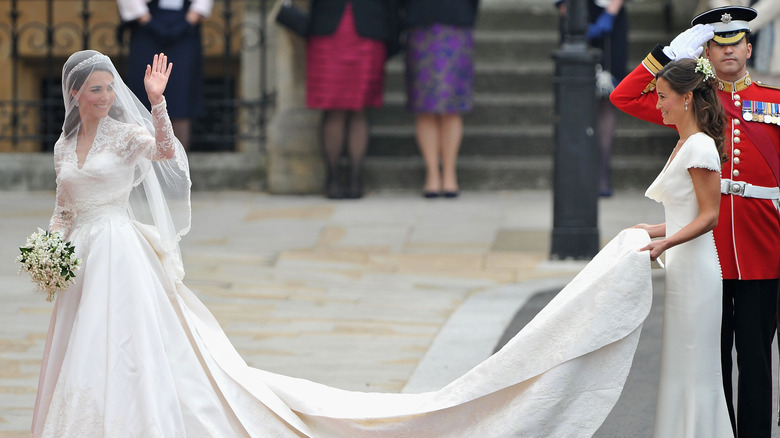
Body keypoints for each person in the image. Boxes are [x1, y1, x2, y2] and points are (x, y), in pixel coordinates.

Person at [31, 49, 654, 436]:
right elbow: (64, 204)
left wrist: (159, 105)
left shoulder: (125, 137)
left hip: (123, 254)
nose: (108, 98)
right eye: (97, 91)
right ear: (76, 97)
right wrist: (50, 253)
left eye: (112, 89)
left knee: (126, 341)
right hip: (84, 256)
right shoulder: (65, 147)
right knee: (77, 340)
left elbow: (167, 155)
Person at [610, 6, 780, 437]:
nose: (728, 52)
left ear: (749, 46)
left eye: (735, 43)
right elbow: (625, 97)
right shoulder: (694, 102)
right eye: (718, 44)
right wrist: (663, 55)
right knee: (712, 356)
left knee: (758, 359)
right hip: (710, 245)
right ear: (707, 50)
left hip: (763, 244)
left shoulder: (773, 101)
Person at [624, 57, 732, 437]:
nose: (657, 105)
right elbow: (687, 213)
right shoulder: (685, 143)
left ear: (687, 98)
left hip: (699, 273)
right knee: (680, 364)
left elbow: (710, 216)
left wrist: (665, 241)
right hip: (684, 269)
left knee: (697, 367)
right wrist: (654, 229)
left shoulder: (700, 147)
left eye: (663, 97)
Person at [306, 0, 399, 199]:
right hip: (329, 31)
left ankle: (356, 177)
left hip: (369, 32)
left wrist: (393, 36)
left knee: (359, 109)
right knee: (334, 108)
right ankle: (332, 178)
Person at [401, 0, 479, 198]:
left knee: (452, 105)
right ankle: (432, 174)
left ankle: (449, 173)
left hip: (456, 22)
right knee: (424, 105)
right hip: (420, 23)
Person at [116, 0, 212, 150]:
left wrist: (186, 23)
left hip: (185, 31)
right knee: (144, 95)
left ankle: (178, 165)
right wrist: (148, 22)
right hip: (146, 30)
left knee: (181, 97)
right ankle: (145, 164)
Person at [556, 0, 628, 197]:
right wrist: (572, 18)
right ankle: (577, 175)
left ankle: (601, 175)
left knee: (607, 100)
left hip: (611, 18)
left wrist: (611, 12)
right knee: (575, 98)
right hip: (574, 20)